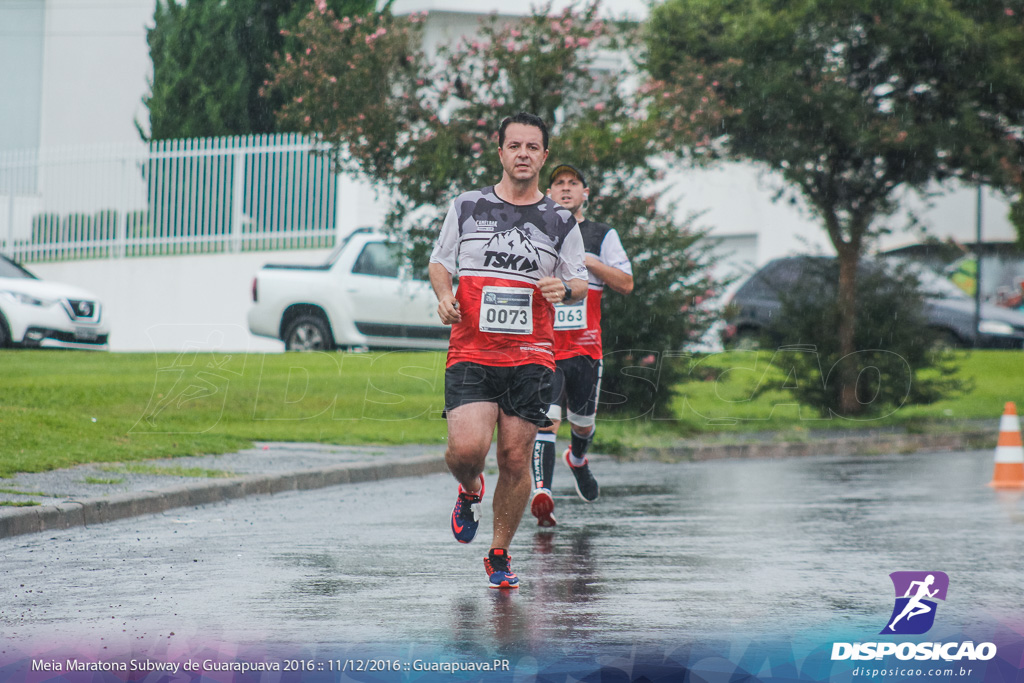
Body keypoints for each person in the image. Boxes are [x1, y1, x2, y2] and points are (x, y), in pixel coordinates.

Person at [428, 112, 589, 589]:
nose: (523, 154)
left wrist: (565, 289)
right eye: (514, 145)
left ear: (543, 155)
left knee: (516, 460)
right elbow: (440, 262)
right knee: (466, 450)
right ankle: (470, 488)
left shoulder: (560, 221)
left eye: (532, 147)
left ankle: (498, 553)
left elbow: (578, 280)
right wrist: (443, 296)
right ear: (499, 152)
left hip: (531, 357)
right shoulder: (468, 205)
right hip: (472, 349)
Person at [529, 163, 633, 528]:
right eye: (559, 183)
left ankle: (577, 458)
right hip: (545, 347)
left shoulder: (602, 235)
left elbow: (626, 283)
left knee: (583, 424)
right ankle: (543, 493)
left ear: (585, 193)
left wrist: (590, 263)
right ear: (548, 192)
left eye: (574, 183)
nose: (566, 189)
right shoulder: (536, 229)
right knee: (547, 423)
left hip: (586, 349)